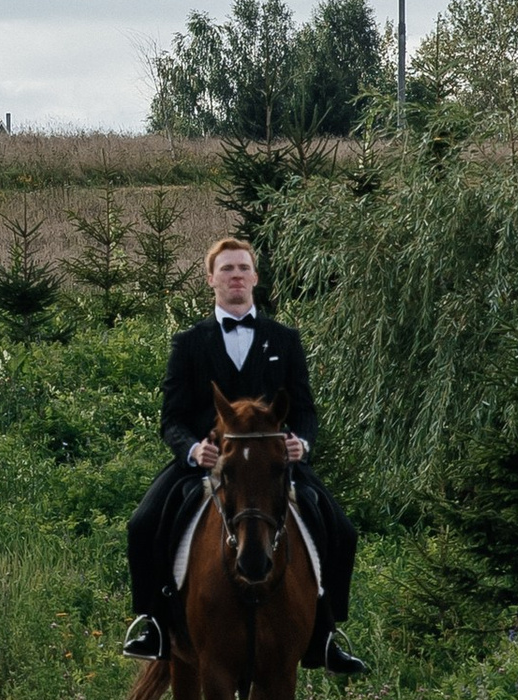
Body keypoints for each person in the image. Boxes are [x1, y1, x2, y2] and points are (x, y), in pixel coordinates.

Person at [122, 233, 365, 673]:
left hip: (272, 466)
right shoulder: (189, 343)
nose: (236, 275)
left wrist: (301, 443)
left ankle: (327, 633)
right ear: (211, 279)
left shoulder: (284, 340)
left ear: (255, 277)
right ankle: (154, 625)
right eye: (226, 269)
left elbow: (306, 410)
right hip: (210, 464)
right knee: (141, 525)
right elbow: (171, 418)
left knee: (342, 530)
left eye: (243, 268)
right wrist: (194, 449)